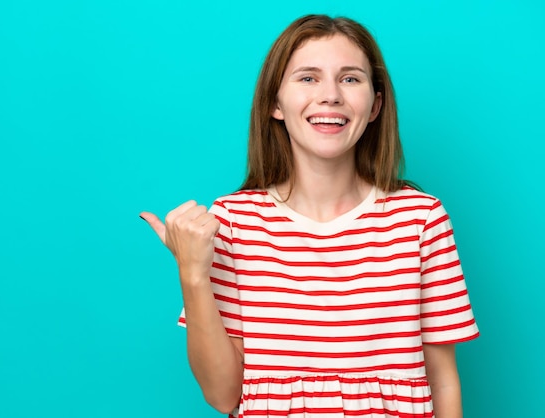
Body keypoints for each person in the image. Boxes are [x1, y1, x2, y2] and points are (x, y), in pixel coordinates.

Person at [141, 14, 478, 418]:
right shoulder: (232, 221)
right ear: (274, 103)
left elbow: (442, 381)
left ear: (375, 105)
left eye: (350, 79)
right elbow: (222, 396)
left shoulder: (420, 219)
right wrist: (192, 274)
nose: (331, 95)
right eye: (308, 78)